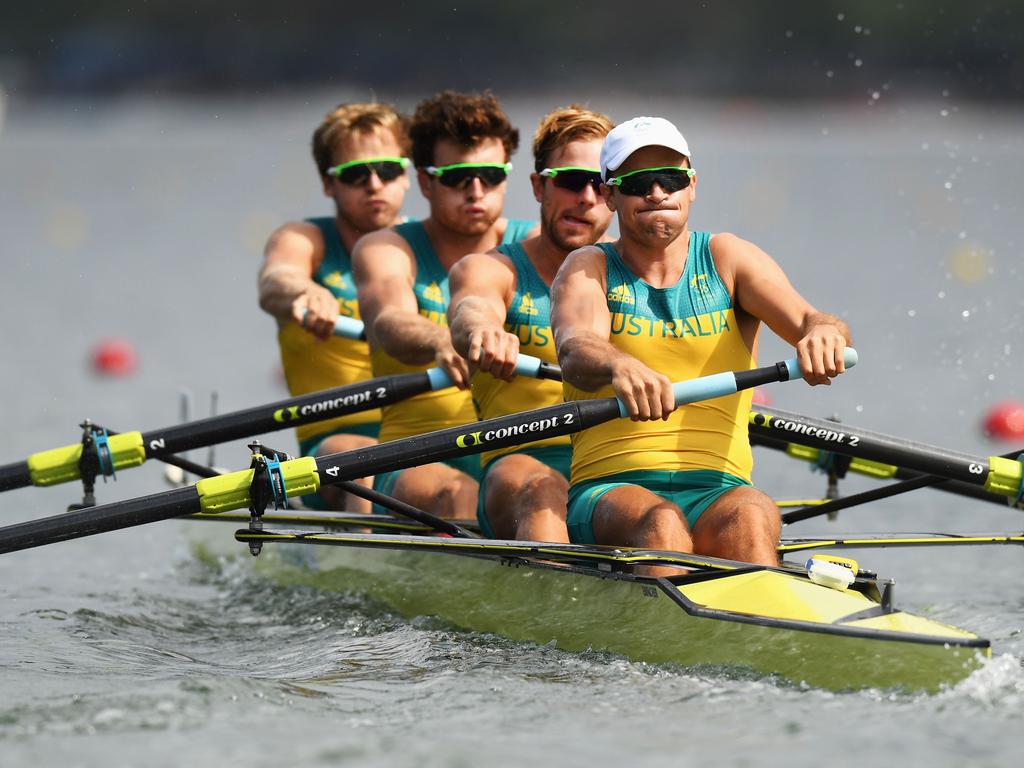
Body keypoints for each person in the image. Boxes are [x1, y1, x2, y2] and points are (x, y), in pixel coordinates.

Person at [550, 116, 851, 566]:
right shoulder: (587, 266)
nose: (656, 193)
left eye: (670, 179)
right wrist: (619, 365)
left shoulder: (728, 259)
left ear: (691, 186)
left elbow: (812, 318)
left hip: (719, 488)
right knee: (662, 522)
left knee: (752, 513)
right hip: (612, 488)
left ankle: (762, 627)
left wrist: (825, 333)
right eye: (637, 183)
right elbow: (575, 346)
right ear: (610, 195)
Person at [353, 90, 535, 519]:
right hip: (416, 458)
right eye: (457, 178)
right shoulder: (387, 249)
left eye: (490, 175)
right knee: (461, 496)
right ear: (425, 182)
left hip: (520, 452)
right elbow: (389, 319)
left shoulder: (538, 247)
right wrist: (440, 339)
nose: (476, 191)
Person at [448, 105, 614, 542]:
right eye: (572, 181)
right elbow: (472, 308)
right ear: (540, 186)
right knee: (546, 491)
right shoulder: (494, 269)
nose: (587, 199)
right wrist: (483, 332)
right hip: (522, 460)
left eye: (601, 185)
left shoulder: (637, 272)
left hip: (616, 463)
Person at [257, 102, 411, 511]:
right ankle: (368, 566)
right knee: (363, 458)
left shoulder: (429, 247)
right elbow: (275, 280)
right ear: (329, 184)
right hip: (337, 446)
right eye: (356, 174)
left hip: (428, 434)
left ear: (408, 175)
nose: (375, 184)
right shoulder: (308, 240)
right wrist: (302, 293)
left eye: (388, 170)